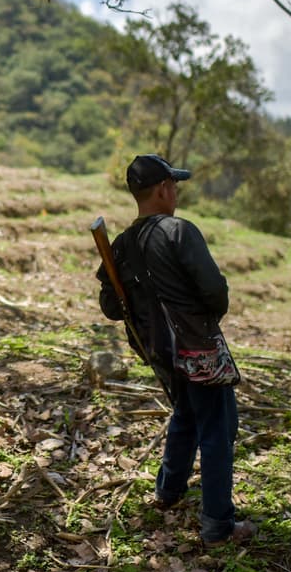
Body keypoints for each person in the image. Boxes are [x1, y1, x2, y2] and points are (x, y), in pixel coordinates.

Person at [96, 153, 256, 548]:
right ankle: (218, 524)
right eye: (175, 185)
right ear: (164, 188)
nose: (176, 193)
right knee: (218, 426)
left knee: (186, 411)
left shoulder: (121, 244)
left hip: (158, 351)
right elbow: (215, 291)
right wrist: (207, 321)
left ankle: (169, 490)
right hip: (196, 345)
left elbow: (111, 307)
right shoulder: (179, 231)